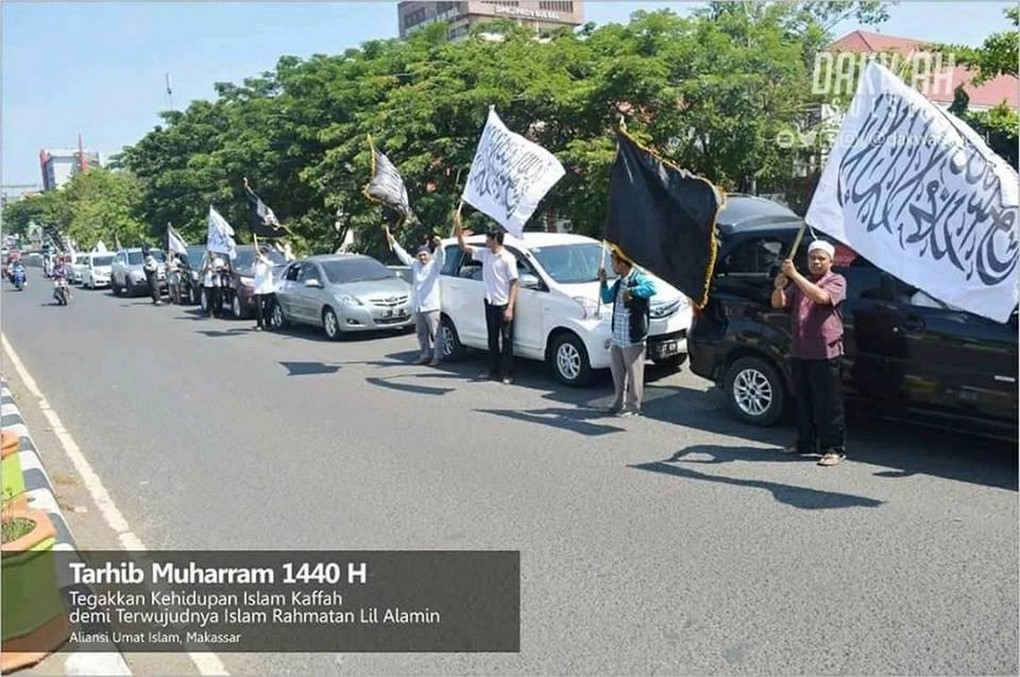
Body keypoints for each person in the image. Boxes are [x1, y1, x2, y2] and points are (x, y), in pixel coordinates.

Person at [771, 239, 848, 467]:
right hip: (800, 350)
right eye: (813, 258)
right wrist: (779, 287)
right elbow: (778, 304)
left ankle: (833, 448)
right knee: (803, 400)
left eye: (821, 258)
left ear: (831, 261)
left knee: (828, 404)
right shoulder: (801, 282)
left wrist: (794, 275)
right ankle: (805, 442)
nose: (816, 262)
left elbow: (821, 297)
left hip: (826, 352)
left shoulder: (836, 280)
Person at [454, 211, 519, 384]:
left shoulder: (508, 258)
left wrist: (510, 307)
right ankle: (492, 369)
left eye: (488, 238)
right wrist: (458, 227)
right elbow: (464, 247)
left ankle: (508, 373)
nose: (485, 241)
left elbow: (514, 283)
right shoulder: (486, 254)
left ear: (495, 239)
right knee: (492, 338)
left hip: (504, 303)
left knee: (506, 340)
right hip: (490, 302)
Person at [599, 250, 657, 417]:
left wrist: (632, 291)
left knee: (634, 374)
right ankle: (618, 401)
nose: (612, 265)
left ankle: (633, 406)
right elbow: (607, 298)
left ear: (622, 263)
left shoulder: (638, 278)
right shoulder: (619, 282)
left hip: (632, 336)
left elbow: (652, 288)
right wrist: (603, 283)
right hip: (618, 335)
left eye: (613, 261)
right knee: (618, 373)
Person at [386, 226, 445, 365]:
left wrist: (440, 246)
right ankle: (425, 355)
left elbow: (441, 257)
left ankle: (437, 357)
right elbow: (404, 256)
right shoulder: (415, 265)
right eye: (420, 255)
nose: (423, 257)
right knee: (421, 333)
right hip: (418, 306)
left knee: (436, 333)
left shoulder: (434, 266)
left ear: (429, 255)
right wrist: (394, 242)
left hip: (431, 306)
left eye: (425, 255)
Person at [252, 246, 275, 331]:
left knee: (268, 308)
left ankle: (268, 324)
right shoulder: (256, 264)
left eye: (264, 254)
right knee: (258, 308)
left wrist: (263, 258)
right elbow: (253, 271)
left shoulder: (269, 263)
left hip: (268, 289)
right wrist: (256, 261)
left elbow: (270, 265)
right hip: (258, 289)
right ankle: (259, 324)